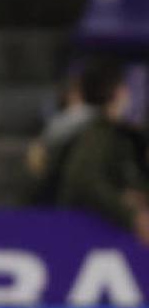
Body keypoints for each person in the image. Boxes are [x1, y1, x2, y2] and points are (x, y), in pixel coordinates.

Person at [51, 63, 149, 245]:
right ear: (119, 93)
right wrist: (131, 216)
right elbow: (84, 179)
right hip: (75, 230)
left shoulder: (115, 133)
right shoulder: (95, 132)